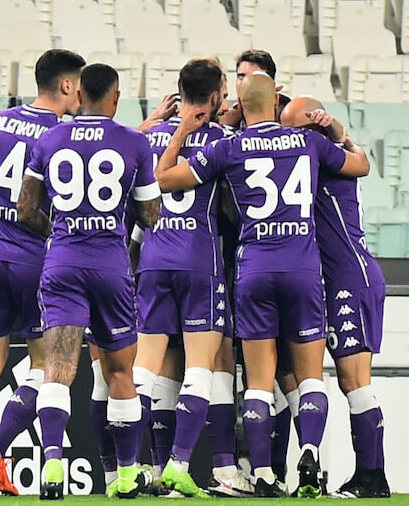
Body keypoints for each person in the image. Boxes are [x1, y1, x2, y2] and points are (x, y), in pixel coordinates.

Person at [154, 72, 370, 497]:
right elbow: (359, 164)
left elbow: (163, 177)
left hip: (254, 268)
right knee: (310, 376)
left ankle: (265, 476)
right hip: (304, 269)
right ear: (276, 102)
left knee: (257, 380)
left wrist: (180, 131)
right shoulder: (307, 143)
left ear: (238, 101)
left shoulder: (227, 147)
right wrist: (337, 129)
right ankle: (309, 452)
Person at [17, 63, 161, 500]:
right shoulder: (134, 143)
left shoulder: (50, 138)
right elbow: (152, 215)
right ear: (116, 97)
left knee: (58, 369)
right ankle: (127, 474)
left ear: (78, 93)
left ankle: (54, 465)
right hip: (111, 267)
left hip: (62, 263)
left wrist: (62, 232)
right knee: (120, 371)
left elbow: (26, 209)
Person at [0, 49, 86, 497]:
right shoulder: (62, 134)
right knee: (46, 366)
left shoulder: (1, 120)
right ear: (67, 86)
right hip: (36, 258)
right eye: (79, 84)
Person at [131, 58, 252, 498]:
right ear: (219, 92)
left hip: (154, 259)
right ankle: (180, 464)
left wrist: (164, 124)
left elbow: (139, 163)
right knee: (200, 367)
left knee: (144, 368)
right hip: (201, 263)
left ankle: (134, 467)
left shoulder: (149, 138)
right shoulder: (222, 139)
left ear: (180, 91)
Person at [281, 96, 390, 499]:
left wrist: (339, 133)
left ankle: (372, 476)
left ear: (312, 133)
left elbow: (359, 160)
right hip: (323, 281)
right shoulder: (320, 161)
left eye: (292, 131)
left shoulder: (328, 164)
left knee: (354, 382)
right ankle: (315, 472)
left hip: (351, 279)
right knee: (308, 378)